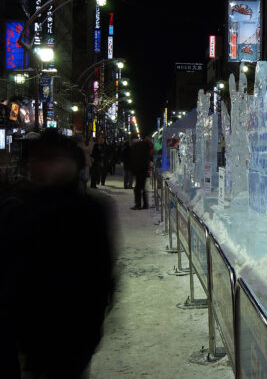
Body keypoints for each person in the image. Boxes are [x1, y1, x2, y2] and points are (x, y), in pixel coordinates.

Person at [0, 129, 116, 378]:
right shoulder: (18, 207)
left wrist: (90, 326)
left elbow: (102, 274)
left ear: (71, 164)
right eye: (37, 160)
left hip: (73, 333)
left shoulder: (89, 211)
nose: (42, 167)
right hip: (28, 334)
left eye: (51, 159)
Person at [130, 136, 153, 210]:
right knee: (142, 188)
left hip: (139, 170)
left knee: (137, 188)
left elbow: (136, 160)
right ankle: (145, 204)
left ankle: (138, 204)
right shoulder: (146, 147)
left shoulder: (137, 147)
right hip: (144, 170)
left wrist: (134, 170)